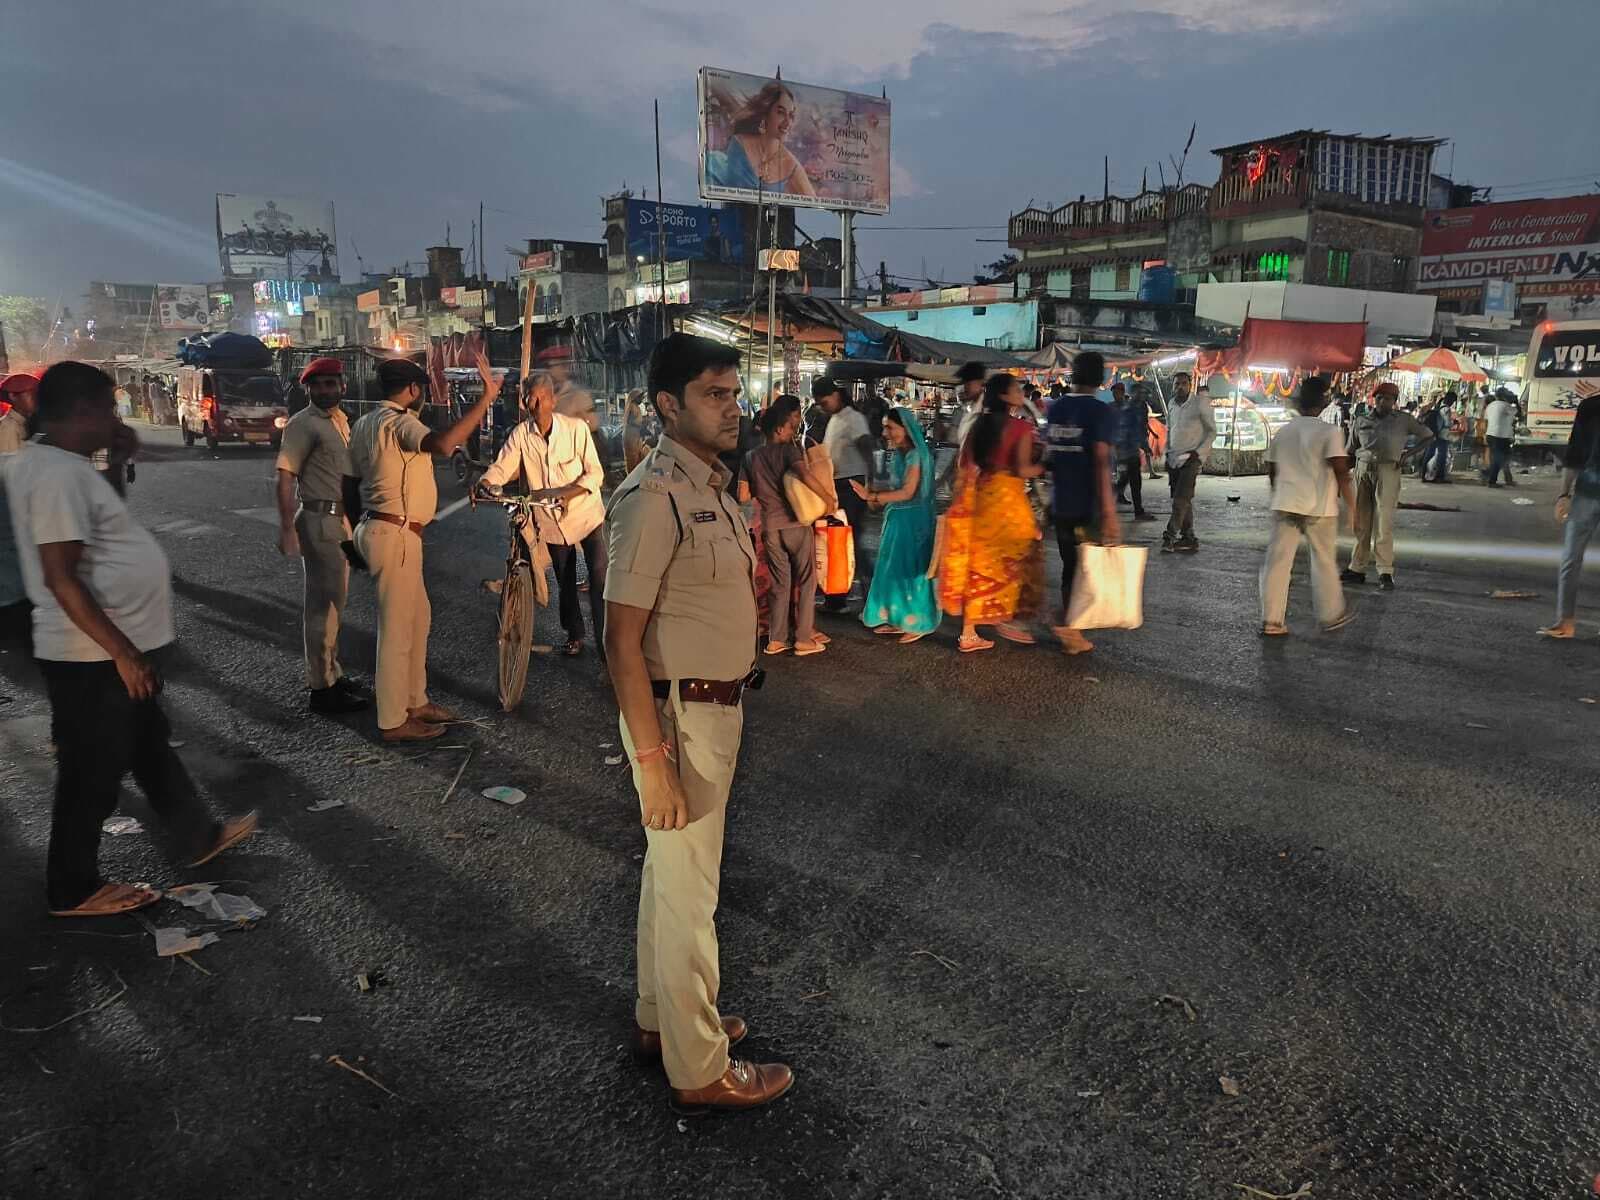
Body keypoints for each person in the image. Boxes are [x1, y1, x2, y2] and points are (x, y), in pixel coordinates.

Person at [603, 332, 792, 1114]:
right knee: (691, 895)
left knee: (670, 879)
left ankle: (663, 1021)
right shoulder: (654, 496)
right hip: (680, 718)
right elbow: (619, 638)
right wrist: (652, 763)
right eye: (714, 395)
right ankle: (701, 1066)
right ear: (668, 404)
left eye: (734, 394)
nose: (733, 409)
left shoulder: (706, 485)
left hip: (709, 707)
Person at [9, 362, 257, 917]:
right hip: (92, 652)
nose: (116, 419)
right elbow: (61, 577)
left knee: (147, 741)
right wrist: (122, 652)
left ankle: (198, 834)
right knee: (91, 772)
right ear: (82, 411)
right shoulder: (54, 475)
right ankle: (72, 889)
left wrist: (116, 461)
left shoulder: (61, 466)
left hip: (111, 645)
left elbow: (98, 527)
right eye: (109, 409)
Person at [346, 354, 499, 741]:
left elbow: (348, 482)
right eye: (422, 390)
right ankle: (393, 720)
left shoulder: (364, 423)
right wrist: (486, 398)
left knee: (418, 619)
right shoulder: (400, 422)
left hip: (380, 528)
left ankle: (415, 700)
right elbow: (445, 444)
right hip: (394, 533)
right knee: (397, 630)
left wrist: (351, 537)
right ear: (413, 390)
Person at [477, 370, 607, 658]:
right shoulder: (521, 435)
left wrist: (566, 492)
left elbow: (595, 474)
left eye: (540, 398)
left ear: (552, 399)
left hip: (586, 516)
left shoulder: (575, 429)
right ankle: (575, 634)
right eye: (529, 398)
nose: (534, 404)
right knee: (565, 582)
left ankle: (606, 643)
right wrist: (486, 482)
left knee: (599, 580)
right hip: (551, 521)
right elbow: (502, 466)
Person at [274, 357, 367, 714]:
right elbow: (285, 476)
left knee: (334, 606)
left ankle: (332, 673)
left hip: (339, 520)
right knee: (322, 608)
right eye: (317, 385)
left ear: (343, 385)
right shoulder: (303, 424)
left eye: (331, 383)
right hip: (320, 518)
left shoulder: (340, 420)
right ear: (307, 389)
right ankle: (322, 687)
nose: (324, 390)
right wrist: (286, 529)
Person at [938, 372, 1045, 652]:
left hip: (981, 498)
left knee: (980, 565)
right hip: (1008, 500)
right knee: (1019, 556)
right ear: (1004, 396)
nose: (1021, 395)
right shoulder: (1020, 428)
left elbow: (965, 465)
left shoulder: (978, 426)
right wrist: (1045, 466)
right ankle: (1006, 618)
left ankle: (969, 632)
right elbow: (1022, 469)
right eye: (1016, 390)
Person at [1259, 376, 1356, 636]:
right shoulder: (1329, 432)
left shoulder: (1284, 431)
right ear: (1323, 402)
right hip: (1319, 508)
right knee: (1323, 561)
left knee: (1277, 563)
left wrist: (1278, 494)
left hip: (1286, 504)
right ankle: (1330, 614)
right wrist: (1352, 507)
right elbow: (1341, 471)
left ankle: (1272, 620)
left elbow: (1272, 470)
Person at [739, 399, 832, 656]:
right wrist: (827, 499)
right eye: (790, 428)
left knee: (780, 584)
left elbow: (743, 496)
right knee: (807, 580)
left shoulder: (750, 457)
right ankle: (803, 638)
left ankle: (776, 639)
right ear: (779, 429)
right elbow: (805, 476)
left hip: (770, 527)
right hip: (794, 523)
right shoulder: (789, 451)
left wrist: (763, 486)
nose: (793, 431)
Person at [1045, 353, 1123, 656]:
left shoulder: (1056, 408)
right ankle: (1067, 623)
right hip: (1087, 505)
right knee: (1087, 569)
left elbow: (1049, 456)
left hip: (1060, 501)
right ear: (1101, 379)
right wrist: (1109, 512)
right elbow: (1101, 462)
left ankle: (1071, 626)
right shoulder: (1100, 412)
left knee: (1071, 566)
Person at [854, 407, 940, 643]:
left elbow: (907, 492)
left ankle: (919, 621)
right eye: (885, 427)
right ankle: (898, 618)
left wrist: (872, 496)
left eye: (890, 427)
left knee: (911, 571)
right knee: (893, 570)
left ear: (906, 428)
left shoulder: (915, 456)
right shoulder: (900, 454)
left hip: (912, 522)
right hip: (897, 520)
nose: (886, 433)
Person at [1341, 381, 1433, 592]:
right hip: (1363, 469)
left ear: (1394, 401)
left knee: (1384, 521)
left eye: (1388, 399)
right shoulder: (1361, 420)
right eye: (1380, 398)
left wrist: (1408, 455)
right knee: (1361, 521)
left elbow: (1428, 436)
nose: (1383, 402)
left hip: (1388, 470)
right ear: (1374, 399)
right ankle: (1357, 568)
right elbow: (1351, 449)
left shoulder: (1403, 420)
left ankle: (1385, 571)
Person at [1538, 386, 1600, 639]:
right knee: (1570, 558)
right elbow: (1574, 453)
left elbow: (1574, 454)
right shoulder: (1590, 406)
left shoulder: (1590, 406)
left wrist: (1564, 494)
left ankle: (1565, 622)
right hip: (1587, 492)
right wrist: (1563, 495)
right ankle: (1565, 621)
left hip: (1587, 491)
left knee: (1571, 558)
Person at [816, 377, 874, 610]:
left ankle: (870, 596)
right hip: (836, 486)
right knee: (837, 541)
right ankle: (836, 598)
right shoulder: (834, 419)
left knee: (850, 542)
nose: (823, 407)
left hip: (851, 486)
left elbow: (867, 446)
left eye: (825, 402)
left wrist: (872, 481)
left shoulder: (853, 418)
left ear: (836, 395)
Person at [705, 80, 816, 197]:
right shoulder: (739, 142)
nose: (788, 122)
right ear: (765, 113)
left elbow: (814, 202)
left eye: (791, 115)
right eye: (781, 113)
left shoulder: (791, 165)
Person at [1162, 372, 1216, 553]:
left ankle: (1169, 537)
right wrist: (1167, 453)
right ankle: (1188, 537)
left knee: (1180, 499)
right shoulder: (1171, 404)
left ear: (1190, 385)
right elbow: (1170, 429)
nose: (1180, 387)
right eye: (1177, 384)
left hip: (1191, 459)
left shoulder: (1199, 404)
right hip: (1174, 459)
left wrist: (1199, 453)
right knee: (1183, 499)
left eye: (1184, 383)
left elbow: (1212, 431)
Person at [936, 361, 988, 493]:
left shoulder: (987, 410)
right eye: (964, 384)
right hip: (965, 470)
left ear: (980, 383)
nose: (965, 388)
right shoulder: (967, 409)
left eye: (968, 384)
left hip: (978, 476)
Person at [1109, 382, 1153, 520]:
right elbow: (1133, 431)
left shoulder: (1133, 407)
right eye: (1140, 393)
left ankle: (1136, 510)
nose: (1143, 395)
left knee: (1127, 480)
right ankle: (1137, 511)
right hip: (1129, 450)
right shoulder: (1131, 409)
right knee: (1133, 481)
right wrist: (1144, 446)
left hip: (1127, 449)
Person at [1482, 387, 1518, 487]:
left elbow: (1486, 421)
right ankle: (1491, 479)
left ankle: (1507, 479)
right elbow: (1518, 414)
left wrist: (1485, 434)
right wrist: (1516, 403)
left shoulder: (1490, 406)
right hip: (1501, 436)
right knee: (1500, 459)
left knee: (1502, 458)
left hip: (1491, 435)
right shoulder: (1505, 405)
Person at [1419, 391, 1456, 483]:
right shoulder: (1446, 409)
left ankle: (1423, 474)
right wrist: (1453, 423)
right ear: (1451, 400)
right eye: (1453, 401)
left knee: (1429, 453)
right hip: (1442, 435)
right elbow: (1447, 423)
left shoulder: (1438, 406)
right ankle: (1440, 476)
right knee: (1442, 456)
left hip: (1434, 433)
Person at [0, 370, 40, 452]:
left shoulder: (26, 422)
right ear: (12, 396)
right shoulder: (8, 428)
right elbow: (9, 460)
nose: (37, 398)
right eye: (32, 393)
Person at [623, 388, 651, 473]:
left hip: (636, 434)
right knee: (632, 457)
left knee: (639, 455)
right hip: (631, 435)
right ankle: (632, 475)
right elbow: (631, 421)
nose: (641, 400)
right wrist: (642, 422)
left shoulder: (637, 407)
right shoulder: (631, 406)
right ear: (635, 397)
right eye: (640, 397)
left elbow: (638, 420)